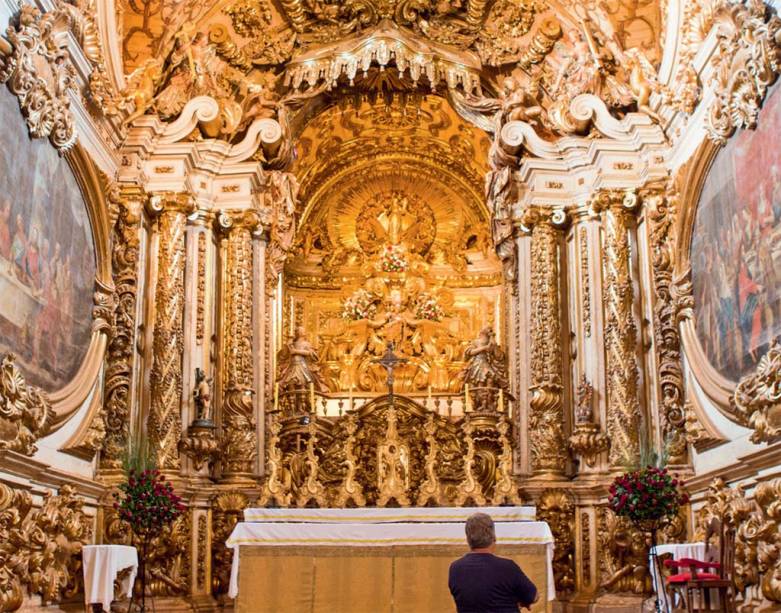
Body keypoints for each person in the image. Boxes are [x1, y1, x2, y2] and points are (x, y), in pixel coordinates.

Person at [449, 512, 538, 612]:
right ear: (493, 537)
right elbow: (533, 596)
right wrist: (521, 601)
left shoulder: (456, 569)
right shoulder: (507, 568)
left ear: (468, 539)